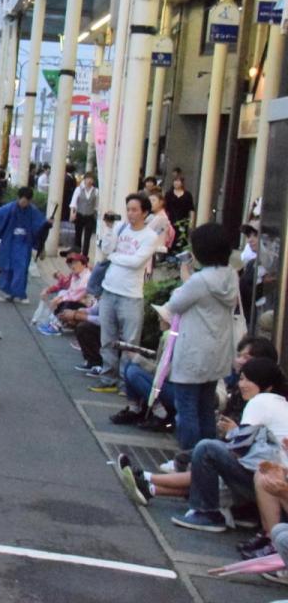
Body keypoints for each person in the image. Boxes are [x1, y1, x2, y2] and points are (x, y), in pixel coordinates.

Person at [117, 358, 288, 533]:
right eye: (242, 378)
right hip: (271, 483)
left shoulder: (261, 402)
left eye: (248, 380)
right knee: (208, 465)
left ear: (267, 385)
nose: (241, 384)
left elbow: (239, 447)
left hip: (269, 483)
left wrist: (224, 440)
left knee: (207, 449)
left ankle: (206, 513)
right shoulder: (279, 403)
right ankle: (149, 486)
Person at [161, 223, 238, 452]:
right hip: (217, 352)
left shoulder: (199, 280)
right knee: (205, 408)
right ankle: (206, 458)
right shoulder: (231, 275)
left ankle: (187, 460)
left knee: (186, 409)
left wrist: (186, 277)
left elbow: (175, 304)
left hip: (193, 352)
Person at [86, 194, 163, 393]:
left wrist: (115, 256)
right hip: (109, 289)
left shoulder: (150, 236)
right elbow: (106, 249)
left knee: (129, 343)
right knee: (107, 338)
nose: (130, 214)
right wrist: (110, 228)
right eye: (128, 209)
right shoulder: (121, 228)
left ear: (145, 212)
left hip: (131, 294)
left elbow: (137, 262)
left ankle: (124, 381)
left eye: (135, 210)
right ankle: (107, 378)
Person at [0, 187, 49, 303]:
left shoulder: (32, 211)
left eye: (27, 202)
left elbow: (40, 225)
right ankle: (9, 293)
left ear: (30, 201)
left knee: (21, 269)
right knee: (5, 267)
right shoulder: (9, 209)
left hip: (24, 243)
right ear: (18, 198)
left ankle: (20, 294)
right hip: (9, 241)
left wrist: (47, 224)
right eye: (22, 201)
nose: (24, 203)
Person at [69, 173, 98, 257]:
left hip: (90, 215)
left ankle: (84, 256)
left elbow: (96, 205)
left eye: (91, 179)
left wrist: (96, 215)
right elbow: (73, 202)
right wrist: (72, 213)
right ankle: (77, 254)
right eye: (88, 178)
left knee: (87, 238)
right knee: (78, 235)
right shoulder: (78, 189)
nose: (89, 180)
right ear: (84, 179)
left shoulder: (96, 191)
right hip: (80, 215)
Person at [164, 175, 195, 251]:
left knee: (181, 239)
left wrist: (191, 221)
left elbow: (191, 209)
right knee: (171, 238)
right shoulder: (169, 194)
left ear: (182, 183)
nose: (176, 183)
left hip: (183, 221)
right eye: (175, 181)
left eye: (178, 181)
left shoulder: (187, 195)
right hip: (171, 220)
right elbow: (165, 208)